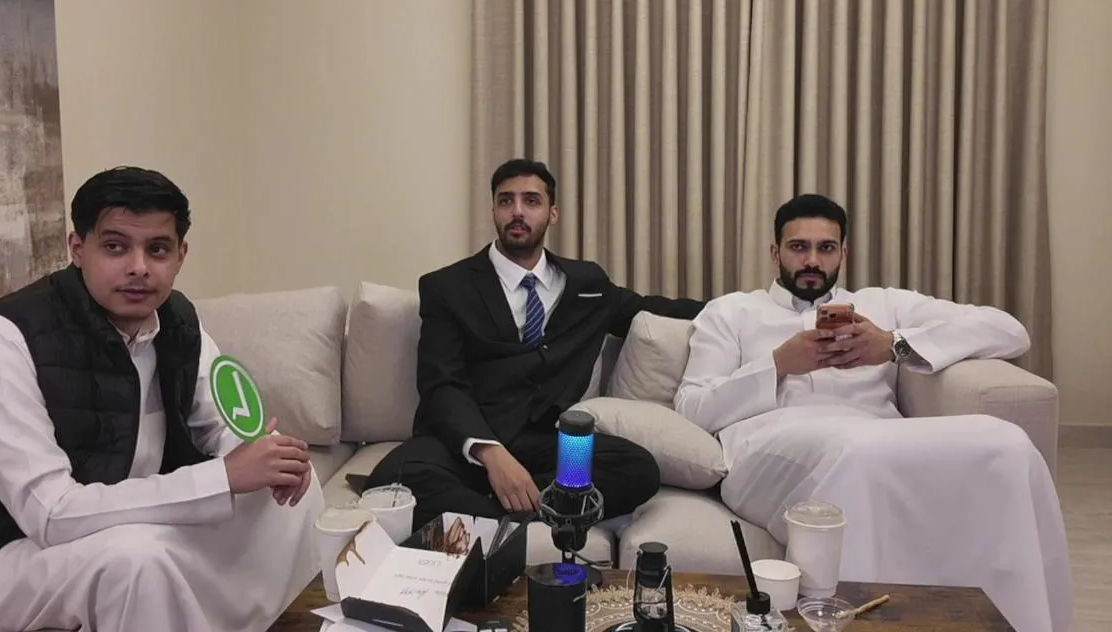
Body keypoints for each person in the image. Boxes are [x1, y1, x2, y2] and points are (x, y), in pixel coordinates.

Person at [0, 167, 326, 632]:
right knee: (136, 562)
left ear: (180, 255)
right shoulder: (4, 339)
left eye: (157, 249)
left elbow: (217, 426)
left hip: (119, 522)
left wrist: (266, 457)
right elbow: (51, 514)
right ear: (77, 248)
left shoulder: (177, 321)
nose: (139, 267)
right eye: (116, 247)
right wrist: (222, 477)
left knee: (295, 495)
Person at [674, 194, 1071, 632]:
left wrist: (895, 344)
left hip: (877, 434)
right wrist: (779, 364)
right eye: (798, 247)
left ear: (843, 254)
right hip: (767, 448)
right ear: (775, 252)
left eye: (826, 248)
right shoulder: (731, 311)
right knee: (856, 452)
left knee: (1008, 444)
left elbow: (1010, 331)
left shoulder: (882, 304)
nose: (812, 260)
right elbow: (692, 408)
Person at [365, 159, 705, 533]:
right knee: (391, 483)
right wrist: (491, 454)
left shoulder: (587, 284)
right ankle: (530, 511)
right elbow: (441, 385)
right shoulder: (447, 287)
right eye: (505, 201)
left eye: (531, 200)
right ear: (494, 211)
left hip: (545, 443)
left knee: (636, 468)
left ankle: (494, 512)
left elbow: (650, 308)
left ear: (552, 213)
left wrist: (741, 306)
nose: (517, 211)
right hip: (463, 444)